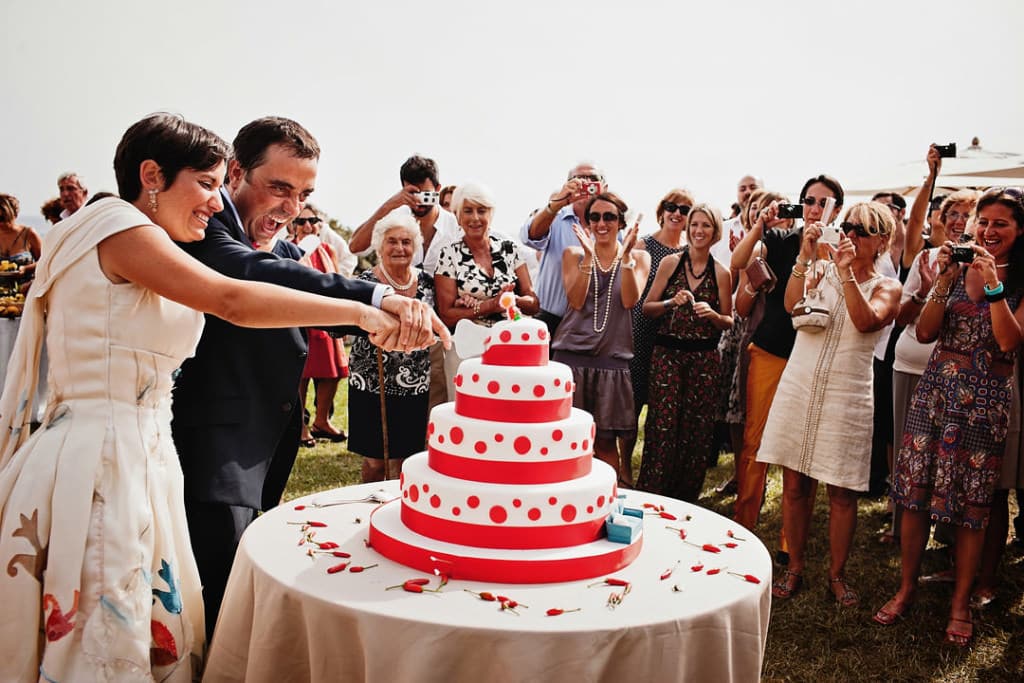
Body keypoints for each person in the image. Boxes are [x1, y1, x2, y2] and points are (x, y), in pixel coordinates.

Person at [0, 113, 410, 681]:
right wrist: (367, 310)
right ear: (151, 175)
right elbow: (232, 299)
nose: (218, 204)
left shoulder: (144, 238)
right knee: (102, 630)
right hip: (102, 461)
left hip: (145, 453)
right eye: (209, 184)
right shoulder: (116, 225)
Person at [171, 117, 446, 641]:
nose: (290, 208)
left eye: (304, 194)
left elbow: (309, 300)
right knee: (214, 609)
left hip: (267, 450)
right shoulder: (206, 231)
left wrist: (378, 328)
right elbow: (253, 277)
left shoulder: (286, 248)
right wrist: (376, 300)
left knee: (244, 599)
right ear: (234, 173)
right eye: (278, 187)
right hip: (214, 454)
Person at [876, 187, 1024, 647]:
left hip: (984, 404)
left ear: (1020, 231)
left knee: (973, 506)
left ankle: (961, 603)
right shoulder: (955, 267)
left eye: (1001, 223)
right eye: (984, 221)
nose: (988, 230)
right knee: (915, 494)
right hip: (935, 394)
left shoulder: (1019, 279)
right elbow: (923, 331)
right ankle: (906, 587)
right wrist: (944, 277)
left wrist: (994, 287)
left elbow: (1008, 342)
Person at [759, 202, 901, 604]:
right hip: (801, 382)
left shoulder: (886, 287)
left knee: (842, 492)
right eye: (849, 226)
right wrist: (805, 258)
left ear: (882, 242)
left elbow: (867, 321)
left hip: (847, 390)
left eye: (865, 230)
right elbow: (789, 305)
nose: (852, 235)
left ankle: (837, 575)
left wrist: (845, 273)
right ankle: (796, 567)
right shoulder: (818, 268)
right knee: (794, 484)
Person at [729, 175, 844, 556]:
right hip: (771, 350)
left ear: (836, 209)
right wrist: (761, 224)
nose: (814, 208)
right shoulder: (779, 240)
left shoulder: (842, 248)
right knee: (754, 443)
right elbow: (738, 262)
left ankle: (789, 543)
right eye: (808, 201)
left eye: (823, 202)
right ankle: (743, 526)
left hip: (814, 358)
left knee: (801, 449)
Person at [349, 155, 461, 412]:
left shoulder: (454, 225)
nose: (420, 201)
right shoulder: (396, 218)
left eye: (426, 194)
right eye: (413, 193)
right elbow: (355, 247)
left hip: (439, 323)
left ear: (438, 189)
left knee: (437, 398)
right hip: (393, 321)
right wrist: (392, 203)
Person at [551, 192, 650, 483]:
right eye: (595, 217)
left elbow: (631, 300)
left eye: (609, 217)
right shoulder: (574, 254)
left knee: (605, 442)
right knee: (566, 439)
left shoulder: (639, 257)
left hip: (613, 360)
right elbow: (577, 300)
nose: (601, 223)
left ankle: (608, 505)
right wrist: (589, 258)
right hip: (571, 358)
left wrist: (628, 256)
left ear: (621, 222)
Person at [636, 204, 733, 501]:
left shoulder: (721, 272)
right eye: (694, 225)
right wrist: (670, 303)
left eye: (705, 226)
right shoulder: (670, 263)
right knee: (662, 427)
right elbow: (647, 308)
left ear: (715, 232)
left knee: (696, 431)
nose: (698, 231)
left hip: (703, 359)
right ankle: (652, 494)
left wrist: (714, 315)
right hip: (667, 354)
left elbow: (728, 320)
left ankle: (684, 498)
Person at [350, 209, 434, 481]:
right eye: (392, 241)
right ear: (379, 246)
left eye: (406, 242)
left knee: (407, 459)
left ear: (415, 247)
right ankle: (368, 504)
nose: (400, 247)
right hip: (371, 382)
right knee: (375, 461)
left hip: (415, 383)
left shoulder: (427, 284)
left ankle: (400, 511)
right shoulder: (364, 284)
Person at [435, 182, 539, 397]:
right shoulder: (448, 255)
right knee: (468, 415)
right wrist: (490, 305)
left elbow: (533, 303)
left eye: (481, 211)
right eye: (468, 211)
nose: (475, 218)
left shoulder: (510, 249)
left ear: (491, 214)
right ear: (457, 216)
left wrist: (512, 300)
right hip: (466, 352)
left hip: (508, 348)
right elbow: (446, 315)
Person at [622, 189, 690, 482]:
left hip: (672, 334)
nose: (677, 213)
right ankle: (625, 467)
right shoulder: (644, 244)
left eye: (685, 209)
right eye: (672, 207)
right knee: (632, 403)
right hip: (640, 328)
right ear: (662, 210)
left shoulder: (690, 251)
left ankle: (655, 471)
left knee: (662, 408)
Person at [520, 162, 607, 336]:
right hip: (551, 320)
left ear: (604, 187)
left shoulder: (611, 225)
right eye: (579, 179)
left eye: (592, 179)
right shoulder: (555, 218)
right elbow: (529, 237)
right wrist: (558, 203)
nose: (585, 184)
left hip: (592, 324)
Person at [291, 205, 349, 445]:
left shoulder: (328, 249)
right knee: (301, 375)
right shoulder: (290, 249)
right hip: (301, 318)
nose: (307, 226)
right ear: (293, 225)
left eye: (313, 220)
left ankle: (321, 421)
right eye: (302, 221)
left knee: (332, 372)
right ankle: (300, 426)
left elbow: (337, 280)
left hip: (328, 318)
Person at [0, 194, 42, 291]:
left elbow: (45, 261)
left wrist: (26, 269)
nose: (0, 223)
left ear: (15, 215)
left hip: (25, 291)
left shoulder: (28, 234)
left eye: (3, 219)